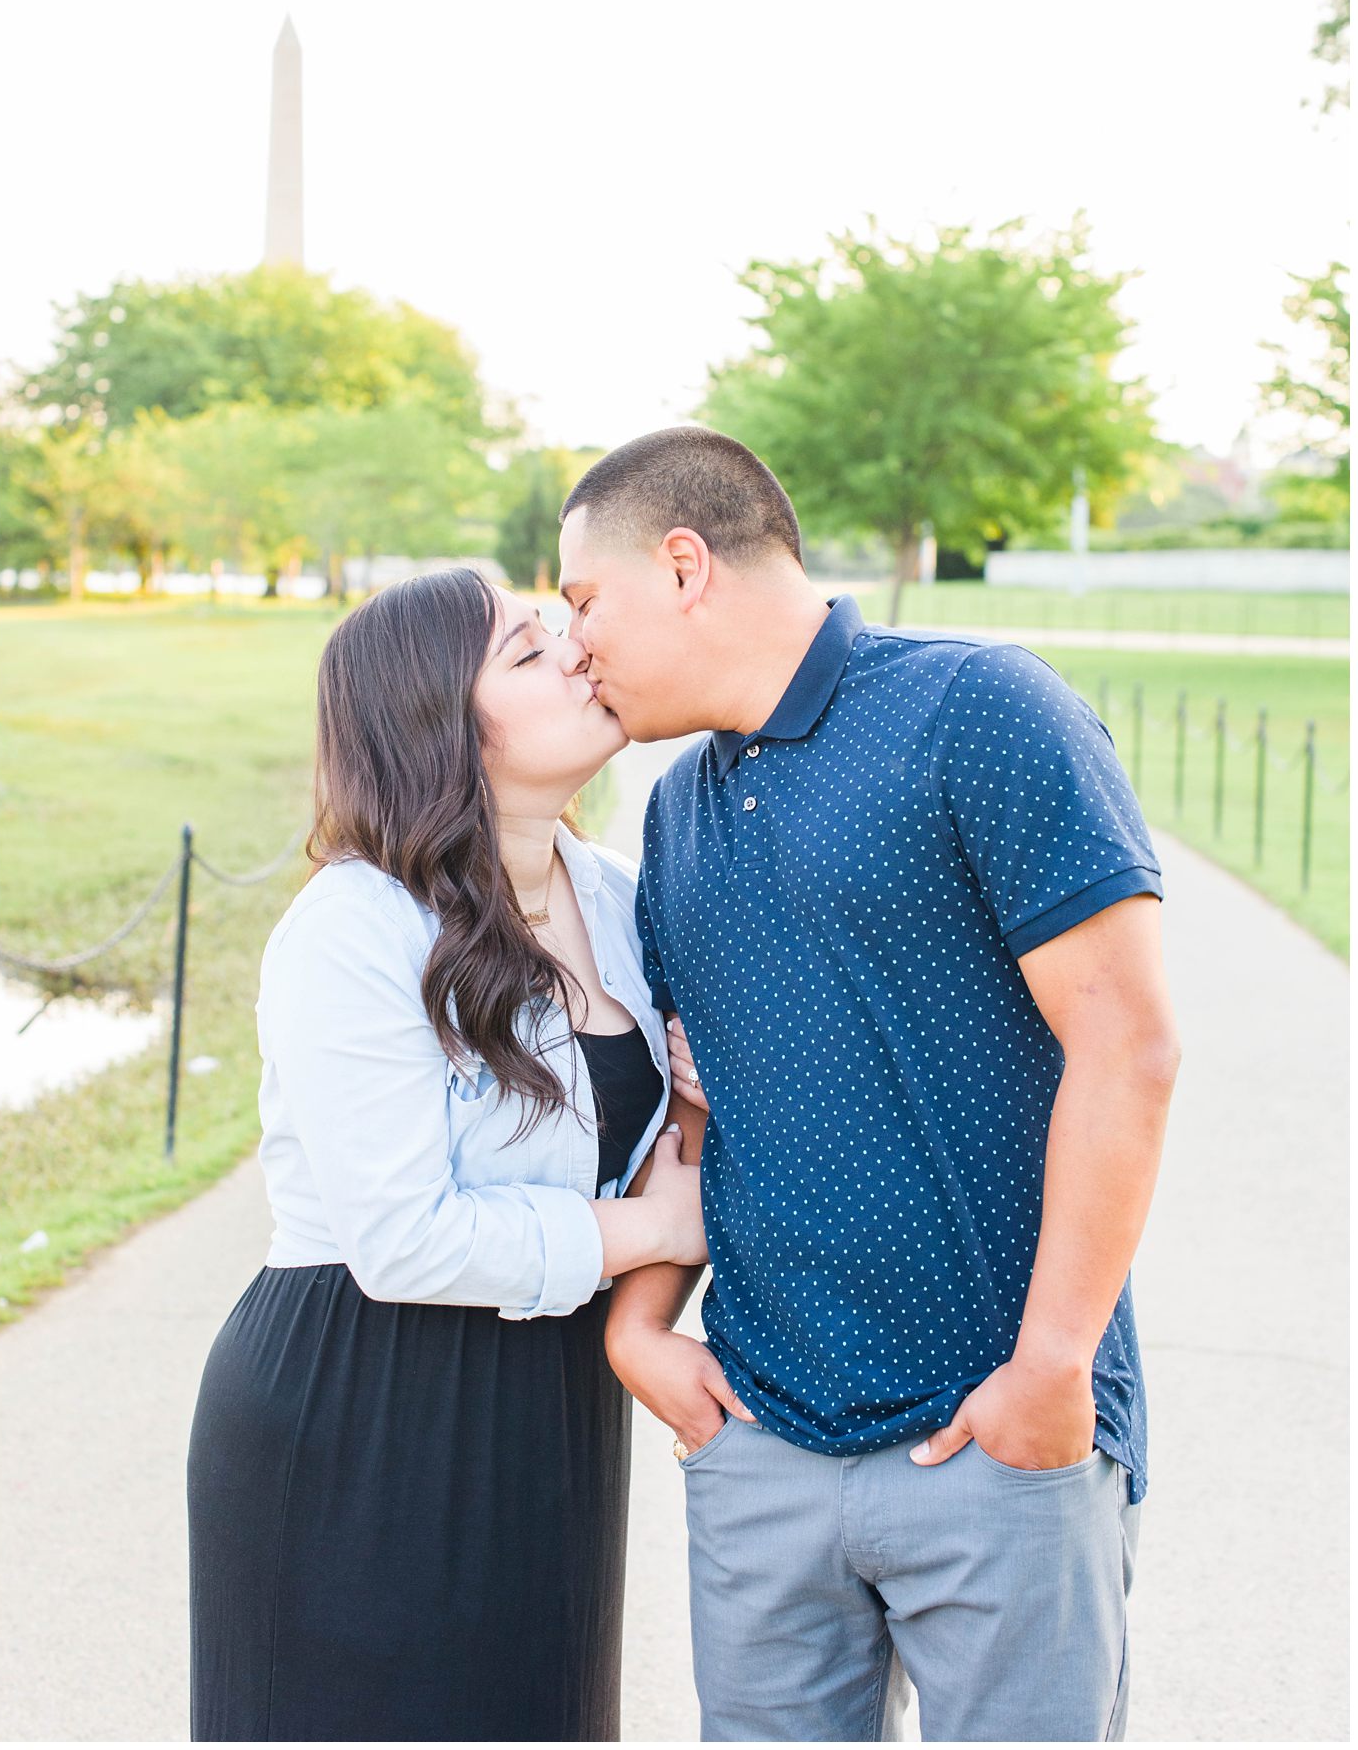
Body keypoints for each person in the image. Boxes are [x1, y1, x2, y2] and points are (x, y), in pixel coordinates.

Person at [556, 426, 1181, 1744]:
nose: (576, 647)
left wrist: (1053, 1369)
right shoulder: (673, 812)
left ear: (684, 564)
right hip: (765, 1441)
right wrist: (640, 1326)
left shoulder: (979, 712)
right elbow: (696, 1103)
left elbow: (1129, 1048)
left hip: (996, 1435)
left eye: (582, 601)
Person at [186, 567, 715, 1744]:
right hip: (357, 1407)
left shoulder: (625, 897)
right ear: (438, 726)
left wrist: (693, 1116)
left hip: (551, 1406)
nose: (578, 651)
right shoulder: (355, 926)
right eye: (528, 653)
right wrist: (658, 1230)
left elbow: (667, 1134)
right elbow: (403, 1236)